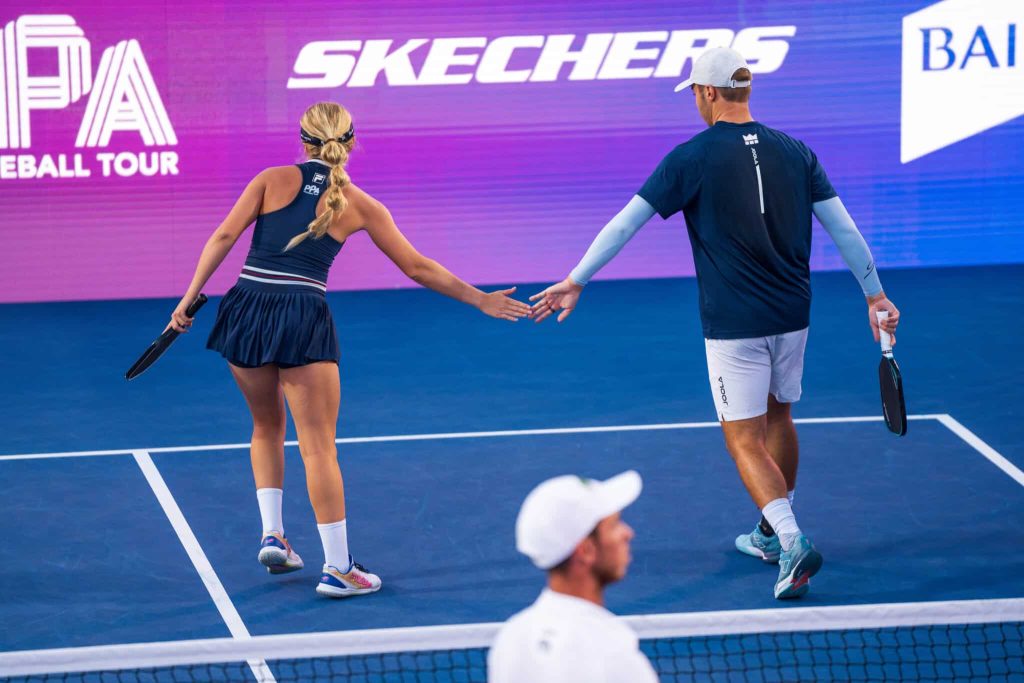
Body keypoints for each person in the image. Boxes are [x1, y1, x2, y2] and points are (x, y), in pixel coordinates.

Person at [528, 48, 901, 599]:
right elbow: (844, 230)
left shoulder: (691, 157)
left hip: (734, 324)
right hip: (793, 313)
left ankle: (793, 542)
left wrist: (576, 278)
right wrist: (875, 295)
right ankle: (773, 533)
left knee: (742, 438)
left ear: (706, 93)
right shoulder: (797, 152)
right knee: (781, 417)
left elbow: (625, 224)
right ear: (744, 90)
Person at [167, 102, 531, 598]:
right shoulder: (360, 204)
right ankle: (338, 568)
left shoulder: (270, 179)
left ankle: (273, 534)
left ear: (303, 141)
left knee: (265, 427)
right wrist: (479, 299)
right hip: (300, 316)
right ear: (351, 142)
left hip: (246, 307)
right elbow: (418, 268)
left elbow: (224, 236)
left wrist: (188, 300)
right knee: (318, 446)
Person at [488, 471, 658, 682]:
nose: (628, 533)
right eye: (614, 525)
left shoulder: (511, 639)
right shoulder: (610, 649)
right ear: (585, 551)